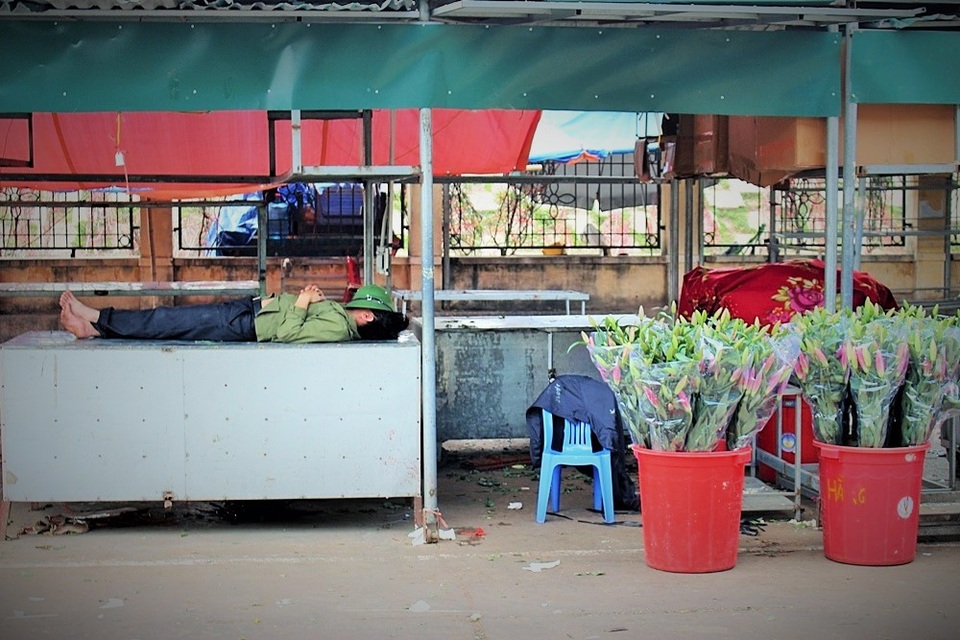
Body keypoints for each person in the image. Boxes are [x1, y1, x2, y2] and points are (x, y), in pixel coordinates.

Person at [58, 283, 409, 343]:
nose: (353, 303)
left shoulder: (337, 329)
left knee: (166, 321)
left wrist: (303, 300)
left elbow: (287, 334)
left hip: (244, 324)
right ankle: (93, 328)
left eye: (359, 303)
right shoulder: (338, 319)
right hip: (248, 311)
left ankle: (94, 318)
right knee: (168, 321)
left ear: (367, 317)